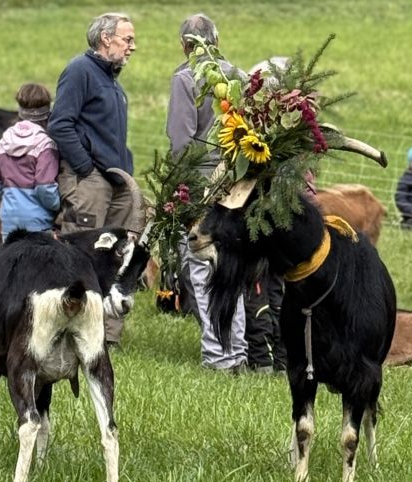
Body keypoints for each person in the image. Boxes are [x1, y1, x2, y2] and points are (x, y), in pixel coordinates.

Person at [49, 12, 139, 346]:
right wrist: (86, 169)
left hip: (117, 183)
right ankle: (67, 334)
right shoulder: (80, 71)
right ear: (106, 38)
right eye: (127, 39)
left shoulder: (112, 81)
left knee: (116, 255)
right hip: (90, 182)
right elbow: (60, 124)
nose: (132, 46)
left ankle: (106, 337)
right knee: (81, 255)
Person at [165, 13, 249, 372]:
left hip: (200, 184)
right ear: (217, 40)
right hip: (237, 183)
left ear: (184, 45)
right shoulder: (238, 76)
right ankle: (238, 353)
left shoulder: (186, 78)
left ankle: (218, 356)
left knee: (201, 268)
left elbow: (181, 141)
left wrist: (178, 187)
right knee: (231, 269)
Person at [0, 83, 60, 237]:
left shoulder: (4, 142)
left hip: (7, 219)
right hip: (38, 222)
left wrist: (7, 199)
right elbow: (45, 188)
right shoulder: (45, 145)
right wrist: (60, 206)